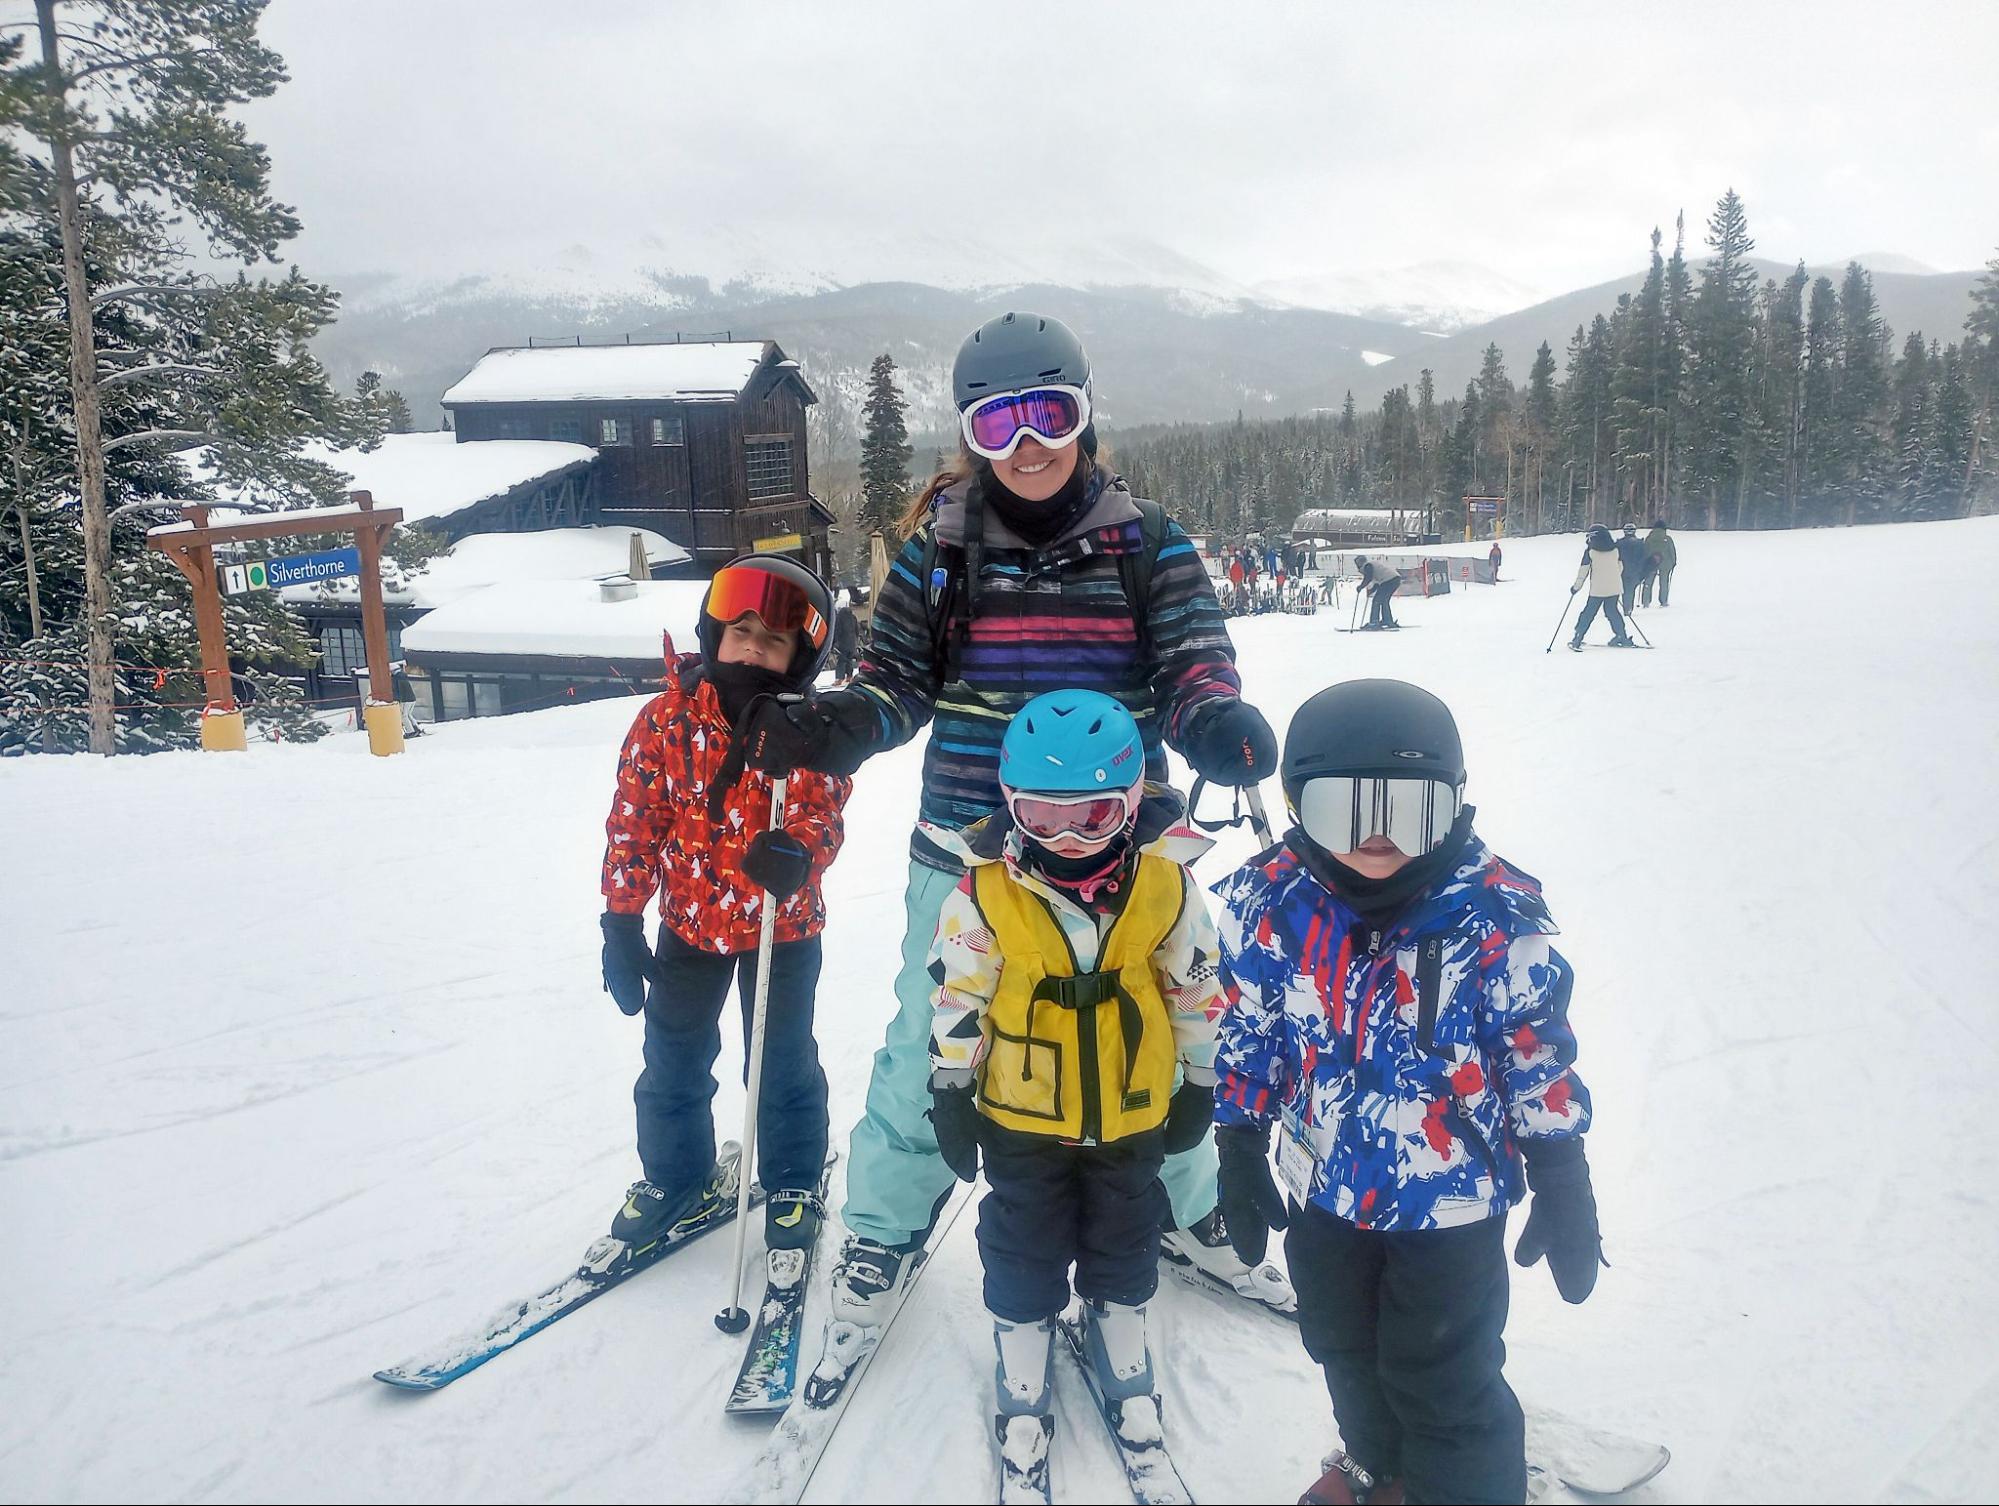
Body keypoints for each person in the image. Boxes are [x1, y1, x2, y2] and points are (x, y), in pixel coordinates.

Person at [727, 311, 1295, 1348]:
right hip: (969, 847)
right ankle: (886, 1227)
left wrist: (1211, 719)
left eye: (1048, 415)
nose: (1025, 444)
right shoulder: (938, 553)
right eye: (997, 425)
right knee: (924, 1045)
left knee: (1158, 1027)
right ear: (969, 437)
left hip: (1128, 852)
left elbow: (1191, 666)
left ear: (1082, 416)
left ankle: (1181, 1203)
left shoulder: (1146, 541)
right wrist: (844, 721)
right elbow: (896, 683)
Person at [1210, 679, 1599, 1505]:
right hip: (1321, 1186)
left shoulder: (1490, 916)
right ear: (1294, 805)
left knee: (1440, 1371)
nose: (1376, 836)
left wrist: (1561, 1173)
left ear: (1453, 805)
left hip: (1447, 1201)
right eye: (1344, 809)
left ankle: (1459, 1486)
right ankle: (1378, 1463)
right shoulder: (1270, 901)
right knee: (1339, 1341)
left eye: (1407, 809)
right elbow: (1248, 1029)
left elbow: (1534, 1054)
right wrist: (1238, 1143)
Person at [926, 691, 1224, 1492]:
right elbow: (959, 992)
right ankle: (1021, 1357)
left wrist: (1199, 1077)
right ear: (1010, 806)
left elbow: (1194, 985)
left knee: (1125, 1230)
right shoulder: (983, 890)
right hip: (1021, 1112)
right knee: (1023, 1239)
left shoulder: (1165, 886)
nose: (1065, 838)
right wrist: (951, 1081)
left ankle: (1117, 1327)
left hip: (1131, 1107)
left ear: (1129, 804)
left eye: (1091, 817)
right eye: (1041, 816)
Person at [598, 555, 851, 1268]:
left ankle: (794, 1178)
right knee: (672, 1061)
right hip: (689, 928)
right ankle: (678, 1176)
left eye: (772, 642)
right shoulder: (665, 720)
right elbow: (634, 820)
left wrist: (798, 852)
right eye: (741, 633)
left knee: (781, 1062)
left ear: (797, 659)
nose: (752, 650)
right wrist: (620, 917)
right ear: (714, 635)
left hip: (782, 927)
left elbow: (823, 812)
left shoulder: (808, 727)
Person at [1569, 526, 1633, 650]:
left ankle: (1578, 637)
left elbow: (1583, 571)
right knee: (1612, 612)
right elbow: (1620, 567)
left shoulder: (1591, 552)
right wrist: (1611, 580)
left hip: (1598, 589)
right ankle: (1622, 636)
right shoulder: (1616, 549)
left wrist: (1576, 588)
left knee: (1588, 613)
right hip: (1614, 587)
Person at [1357, 555, 1400, 630]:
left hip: (1388, 580)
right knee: (1384, 601)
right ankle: (1387, 620)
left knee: (1376, 601)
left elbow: (1368, 578)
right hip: (1394, 579)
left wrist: (1361, 586)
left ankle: (1374, 622)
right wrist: (1372, 590)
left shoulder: (1368, 566)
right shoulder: (1371, 565)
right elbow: (1377, 582)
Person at [1615, 524, 1649, 614]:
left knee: (1624, 589)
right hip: (1635, 571)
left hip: (1622, 570)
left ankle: (1626, 607)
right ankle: (1628, 607)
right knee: (1631, 589)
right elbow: (1644, 557)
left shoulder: (1619, 543)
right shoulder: (1640, 543)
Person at [1642, 520, 1676, 607]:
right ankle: (1663, 601)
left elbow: (1644, 551)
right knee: (1664, 583)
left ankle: (1646, 601)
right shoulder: (1667, 539)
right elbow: (1672, 551)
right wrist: (1673, 562)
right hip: (1665, 563)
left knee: (1648, 582)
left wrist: (1644, 563)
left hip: (1651, 563)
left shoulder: (1649, 538)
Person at [831, 588, 860, 682]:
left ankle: (839, 678)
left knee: (841, 661)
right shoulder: (853, 617)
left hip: (842, 643)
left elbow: (837, 630)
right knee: (849, 660)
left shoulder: (840, 617)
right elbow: (857, 630)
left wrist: (834, 642)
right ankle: (849, 676)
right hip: (852, 643)